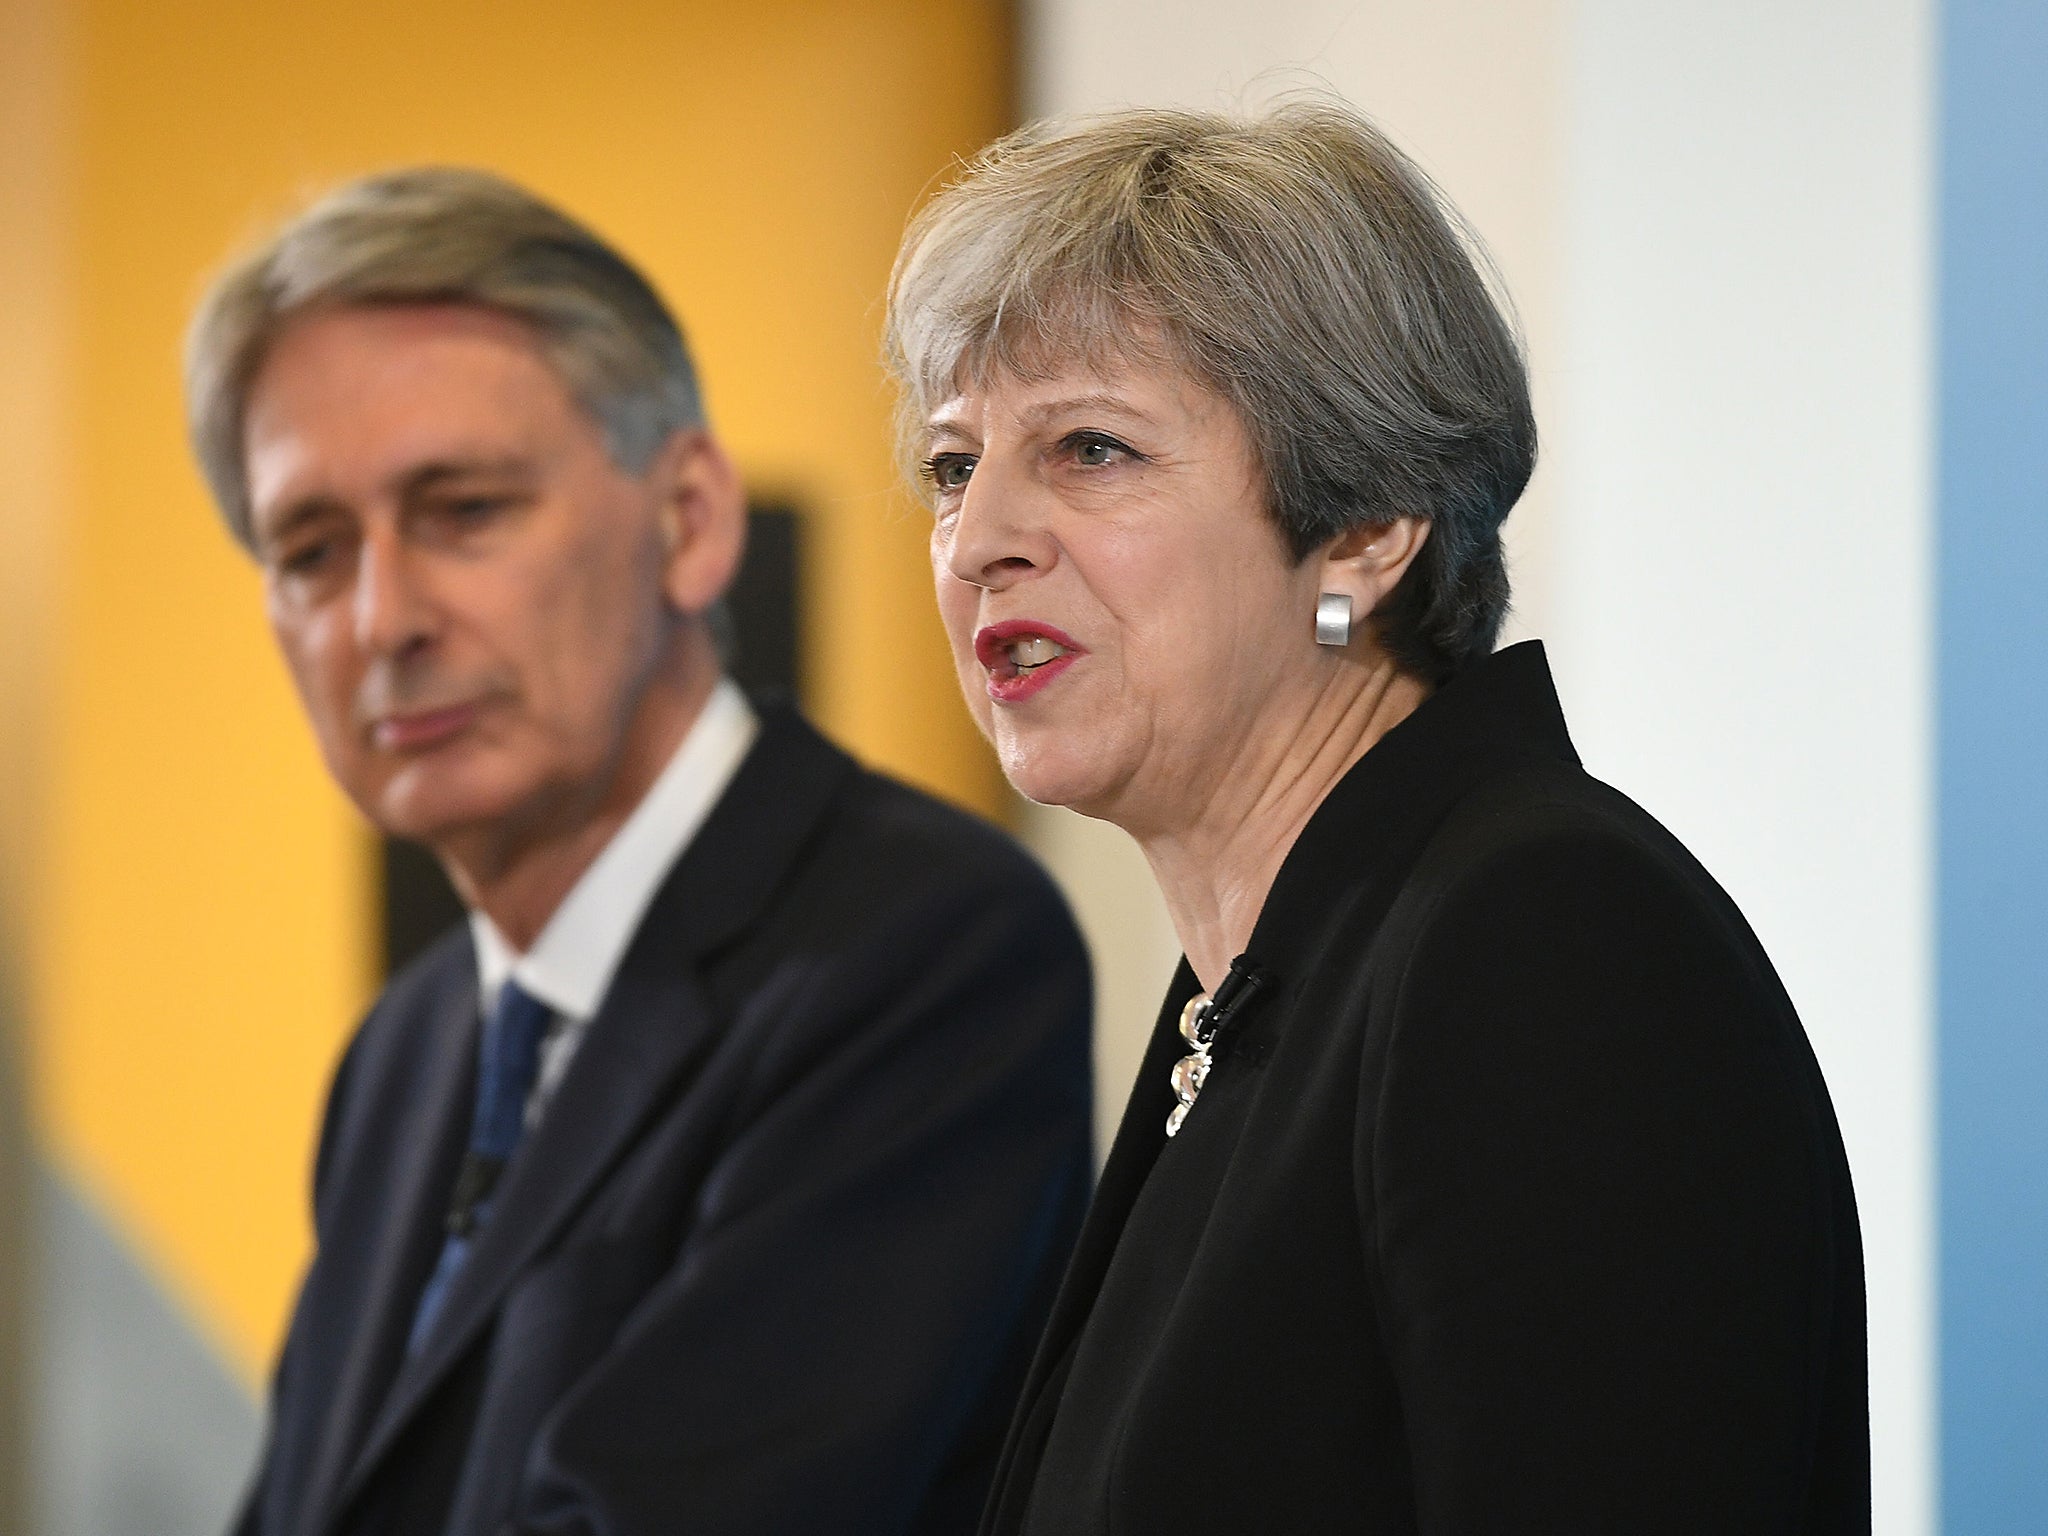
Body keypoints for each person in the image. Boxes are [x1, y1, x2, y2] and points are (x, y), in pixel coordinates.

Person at [885, 103, 1869, 1533]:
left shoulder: (1545, 943)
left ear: (1363, 528)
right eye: (954, 465)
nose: (980, 542)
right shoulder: (1270, 984)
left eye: (1090, 448)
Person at [185, 166, 1093, 1536]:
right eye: (311, 549)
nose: (381, 617)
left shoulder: (924, 951)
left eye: (464, 510)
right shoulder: (408, 1052)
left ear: (689, 522)